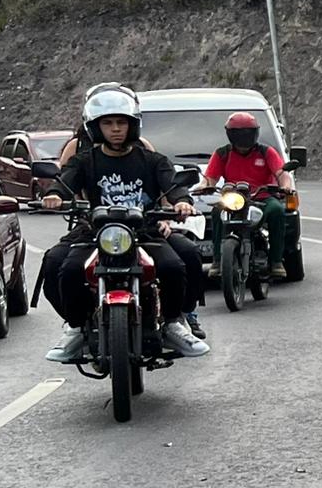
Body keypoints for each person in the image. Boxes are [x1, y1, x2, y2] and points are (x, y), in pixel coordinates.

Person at [38, 85, 207, 362]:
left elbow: (172, 185)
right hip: (95, 230)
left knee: (176, 264)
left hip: (145, 229)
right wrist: (54, 195)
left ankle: (174, 323)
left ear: (133, 125)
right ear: (95, 127)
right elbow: (64, 183)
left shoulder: (153, 160)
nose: (116, 129)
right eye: (108, 123)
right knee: (61, 266)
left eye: (121, 122)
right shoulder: (84, 161)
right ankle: (77, 327)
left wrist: (181, 201)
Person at [198, 110, 299, 277]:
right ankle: (217, 261)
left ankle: (276, 261)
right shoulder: (222, 153)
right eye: (240, 133)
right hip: (234, 199)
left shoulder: (266, 152)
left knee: (277, 211)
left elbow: (282, 174)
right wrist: (204, 186)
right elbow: (210, 178)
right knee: (216, 212)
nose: (244, 136)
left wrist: (286, 187)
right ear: (231, 134)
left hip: (262, 198)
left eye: (248, 132)